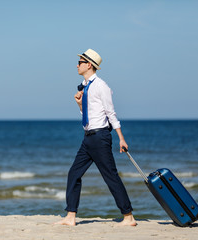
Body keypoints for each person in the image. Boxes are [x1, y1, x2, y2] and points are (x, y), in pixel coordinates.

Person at [55, 49, 136, 226]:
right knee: (74, 174)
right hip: (88, 138)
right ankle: (70, 216)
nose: (77, 65)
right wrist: (79, 105)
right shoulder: (85, 86)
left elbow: (110, 113)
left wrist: (121, 138)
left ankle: (128, 216)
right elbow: (90, 115)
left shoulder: (101, 86)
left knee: (110, 176)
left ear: (89, 65)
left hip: (100, 137)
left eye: (80, 62)